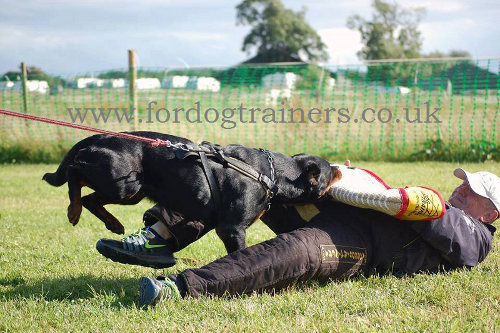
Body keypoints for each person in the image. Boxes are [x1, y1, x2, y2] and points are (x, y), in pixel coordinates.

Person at [96, 163, 500, 307]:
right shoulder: (452, 209)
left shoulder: (477, 239)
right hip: (337, 211)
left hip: (359, 246)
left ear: (491, 213)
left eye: (472, 191)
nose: (460, 190)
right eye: (462, 184)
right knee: (252, 182)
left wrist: (383, 196)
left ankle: (181, 288)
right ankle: (161, 235)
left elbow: (435, 219)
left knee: (294, 253)